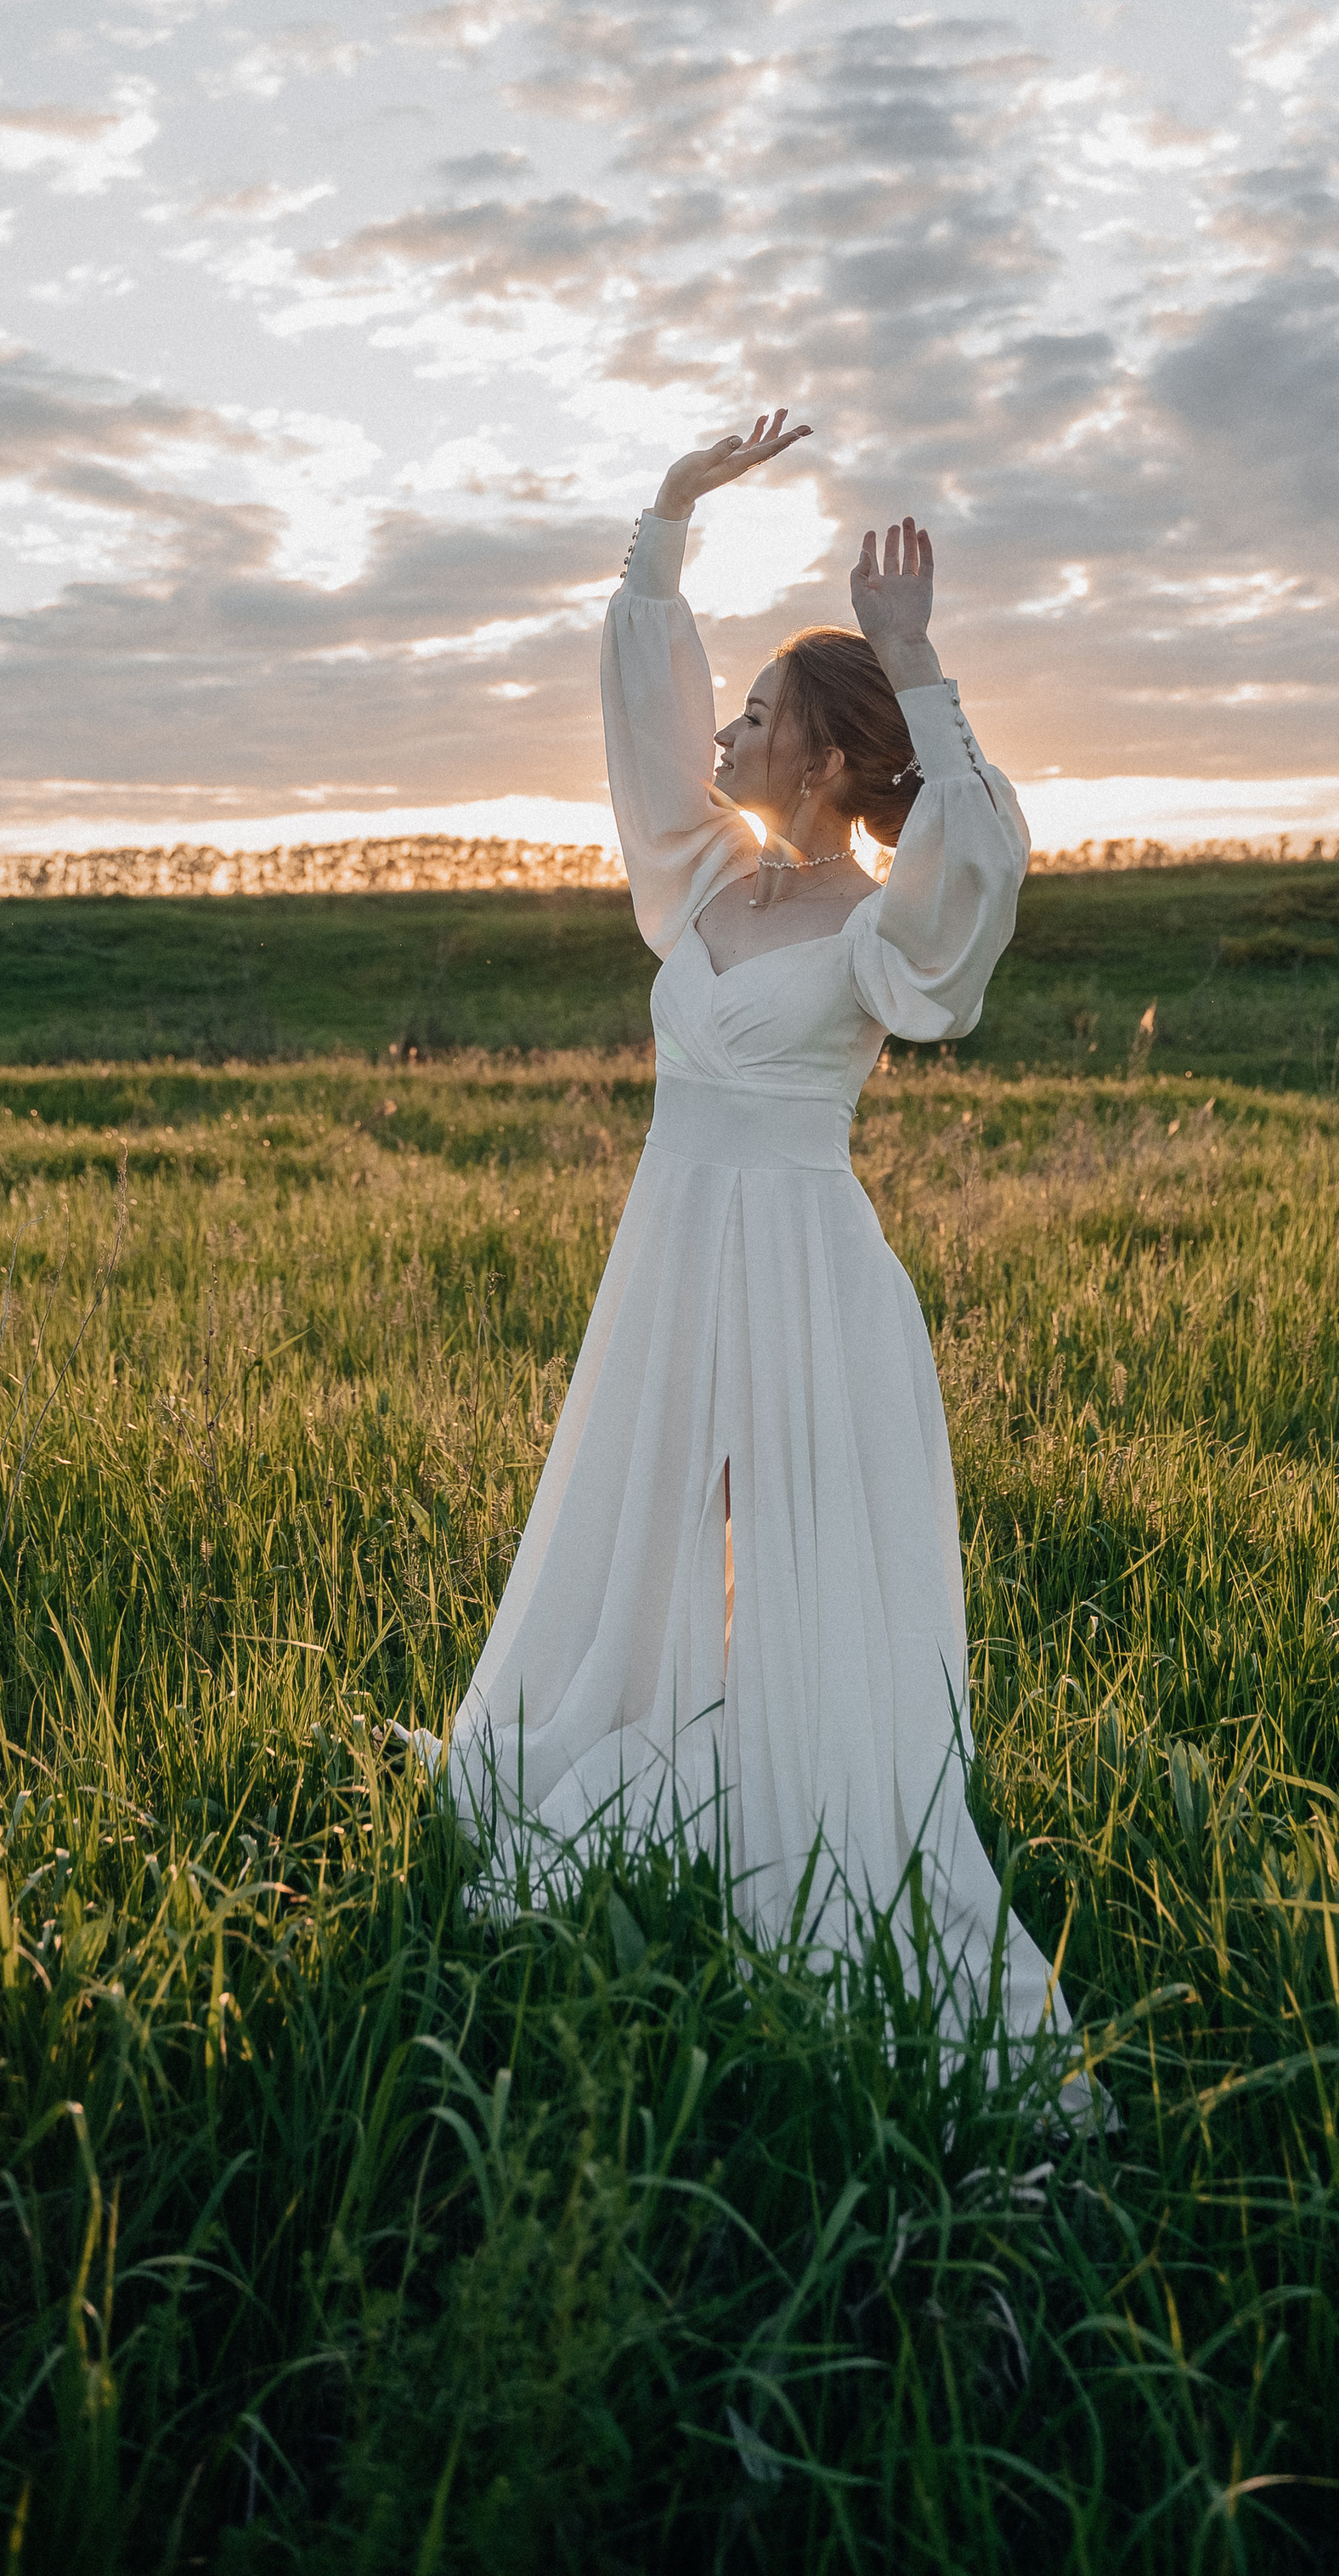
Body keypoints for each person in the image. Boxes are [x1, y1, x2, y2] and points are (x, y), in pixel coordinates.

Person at [419, 410, 1091, 2100]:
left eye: (757, 713)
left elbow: (977, 867)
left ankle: (816, 1808)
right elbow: (645, 738)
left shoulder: (878, 931)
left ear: (819, 756)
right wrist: (662, 522)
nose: (723, 728)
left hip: (802, 1264)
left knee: (793, 1550)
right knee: (647, 1523)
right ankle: (649, 1743)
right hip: (673, 1255)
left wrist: (913, 660)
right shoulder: (700, 884)